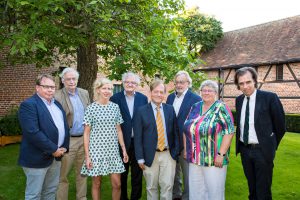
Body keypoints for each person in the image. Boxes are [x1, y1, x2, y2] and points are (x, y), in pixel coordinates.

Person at [234, 67, 286, 200]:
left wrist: (270, 145)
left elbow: (280, 127)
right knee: (252, 189)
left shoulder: (270, 98)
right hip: (245, 151)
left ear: (255, 81)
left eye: (248, 82)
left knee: (263, 192)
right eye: (241, 83)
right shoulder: (239, 100)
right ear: (238, 85)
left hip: (262, 151)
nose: (245, 86)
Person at [18, 74, 69, 200]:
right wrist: (54, 149)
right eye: (46, 86)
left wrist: (64, 147)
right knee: (34, 195)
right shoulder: (29, 105)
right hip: (36, 158)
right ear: (37, 88)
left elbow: (64, 127)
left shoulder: (56, 104)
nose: (50, 90)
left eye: (53, 87)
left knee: (50, 191)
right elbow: (32, 133)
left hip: (56, 157)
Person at [184, 80, 235, 200]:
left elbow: (229, 132)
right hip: (195, 157)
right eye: (204, 90)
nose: (206, 93)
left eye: (209, 90)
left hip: (214, 158)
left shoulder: (221, 107)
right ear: (200, 92)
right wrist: (186, 149)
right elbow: (186, 128)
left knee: (214, 191)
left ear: (215, 93)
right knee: (196, 190)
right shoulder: (195, 107)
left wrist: (221, 154)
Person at [81, 78, 129, 200]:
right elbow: (86, 134)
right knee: (97, 183)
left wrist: (123, 149)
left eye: (109, 89)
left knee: (117, 184)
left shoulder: (115, 107)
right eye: (104, 88)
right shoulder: (91, 108)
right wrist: (87, 156)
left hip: (112, 151)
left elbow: (118, 130)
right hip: (96, 152)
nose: (107, 91)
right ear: (98, 90)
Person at [134, 79, 180, 200]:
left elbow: (176, 132)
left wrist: (175, 153)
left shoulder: (170, 109)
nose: (159, 95)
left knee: (167, 186)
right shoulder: (141, 111)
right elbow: (138, 137)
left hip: (168, 155)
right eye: (156, 92)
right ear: (150, 92)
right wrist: (140, 158)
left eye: (161, 92)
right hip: (150, 155)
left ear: (164, 94)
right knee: (151, 187)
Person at [110, 72, 148, 200]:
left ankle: (135, 198)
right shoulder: (115, 98)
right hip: (122, 143)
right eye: (127, 82)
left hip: (138, 142)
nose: (130, 84)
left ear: (136, 85)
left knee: (137, 175)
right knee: (122, 174)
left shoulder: (143, 99)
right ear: (123, 83)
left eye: (133, 82)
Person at [55, 68, 90, 200]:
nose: (71, 81)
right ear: (63, 81)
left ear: (77, 80)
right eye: (68, 79)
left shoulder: (84, 93)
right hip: (68, 140)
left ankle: (82, 197)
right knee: (63, 175)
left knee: (82, 173)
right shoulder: (57, 96)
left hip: (84, 139)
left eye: (73, 79)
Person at [166, 70, 201, 200]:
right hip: (171, 142)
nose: (179, 85)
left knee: (188, 174)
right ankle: (176, 195)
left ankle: (187, 197)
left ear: (188, 83)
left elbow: (196, 123)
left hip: (187, 143)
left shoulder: (196, 99)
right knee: (173, 172)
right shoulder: (170, 97)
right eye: (177, 82)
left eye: (182, 82)